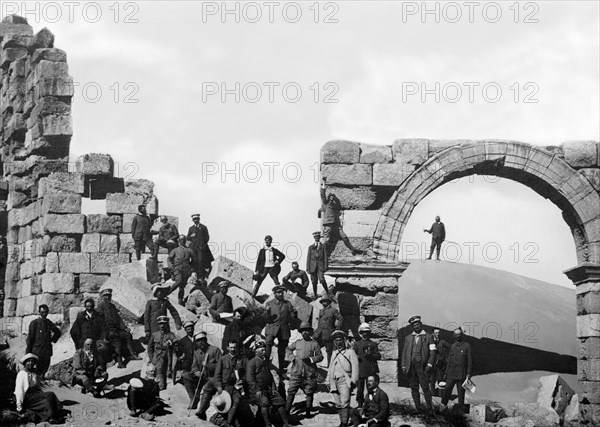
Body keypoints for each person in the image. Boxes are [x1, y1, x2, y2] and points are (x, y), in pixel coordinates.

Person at [246, 341, 290, 427]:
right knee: (264, 402)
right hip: (255, 391)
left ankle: (286, 423)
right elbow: (249, 379)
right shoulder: (251, 363)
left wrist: (273, 388)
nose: (264, 352)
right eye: (262, 350)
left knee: (279, 400)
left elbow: (269, 376)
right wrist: (257, 390)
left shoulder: (265, 362)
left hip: (267, 389)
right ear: (256, 351)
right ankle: (268, 425)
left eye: (265, 350)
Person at [285, 321, 323, 418]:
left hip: (309, 373)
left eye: (307, 331)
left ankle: (308, 411)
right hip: (296, 371)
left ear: (310, 332)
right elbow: (288, 349)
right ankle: (286, 412)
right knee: (291, 391)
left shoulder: (314, 344)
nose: (305, 333)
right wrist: (292, 358)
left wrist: (311, 359)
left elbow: (320, 356)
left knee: (309, 392)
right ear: (300, 332)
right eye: (303, 331)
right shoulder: (297, 343)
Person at [400, 315, 437, 414]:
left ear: (421, 324)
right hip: (411, 366)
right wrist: (403, 365)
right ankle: (418, 408)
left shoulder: (429, 336)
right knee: (414, 387)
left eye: (418, 324)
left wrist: (429, 364)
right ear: (412, 327)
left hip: (422, 366)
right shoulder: (408, 338)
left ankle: (430, 409)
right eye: (414, 325)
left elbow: (433, 352)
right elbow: (404, 352)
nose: (416, 326)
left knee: (425, 387)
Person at [96, 288, 141, 368]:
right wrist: (103, 335)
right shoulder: (101, 306)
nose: (107, 297)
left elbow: (118, 318)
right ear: (103, 297)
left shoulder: (112, 306)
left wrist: (125, 327)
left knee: (127, 335)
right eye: (106, 296)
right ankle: (120, 363)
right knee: (117, 343)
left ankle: (132, 355)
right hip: (108, 331)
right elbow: (98, 321)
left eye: (109, 295)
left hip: (116, 329)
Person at [14, 354, 64, 424]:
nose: (31, 363)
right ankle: (50, 417)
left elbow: (37, 386)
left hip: (35, 395)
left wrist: (41, 394)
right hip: (27, 398)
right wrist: (19, 406)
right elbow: (19, 391)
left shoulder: (33, 373)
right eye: (28, 361)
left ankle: (57, 412)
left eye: (32, 361)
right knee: (46, 401)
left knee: (51, 395)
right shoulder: (22, 374)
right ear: (25, 363)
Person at [320, 177, 362, 256]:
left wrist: (336, 198)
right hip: (328, 224)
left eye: (333, 197)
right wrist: (324, 183)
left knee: (344, 236)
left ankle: (352, 249)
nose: (332, 198)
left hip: (336, 224)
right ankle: (322, 253)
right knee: (326, 240)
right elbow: (322, 194)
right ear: (328, 198)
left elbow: (339, 204)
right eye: (330, 197)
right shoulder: (326, 203)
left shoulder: (336, 206)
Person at [326, 330, 359, 427]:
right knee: (338, 403)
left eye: (340, 340)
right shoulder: (334, 353)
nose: (338, 342)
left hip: (345, 380)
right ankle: (342, 421)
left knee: (345, 402)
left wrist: (353, 381)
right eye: (336, 341)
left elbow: (355, 368)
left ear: (344, 341)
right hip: (334, 380)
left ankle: (344, 423)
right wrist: (328, 380)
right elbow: (330, 367)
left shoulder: (350, 352)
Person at [213, 339, 249, 426]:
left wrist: (242, 380)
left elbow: (247, 374)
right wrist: (219, 387)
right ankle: (235, 423)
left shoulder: (242, 359)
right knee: (226, 405)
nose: (233, 349)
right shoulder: (223, 359)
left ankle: (229, 423)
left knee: (236, 402)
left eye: (235, 347)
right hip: (226, 387)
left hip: (237, 387)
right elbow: (217, 375)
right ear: (228, 348)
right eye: (231, 347)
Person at [264, 285, 297, 374]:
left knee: (282, 349)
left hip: (283, 328)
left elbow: (291, 318)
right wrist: (267, 312)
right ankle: (265, 365)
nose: (280, 294)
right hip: (272, 327)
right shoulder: (269, 304)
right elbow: (265, 319)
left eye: (281, 292)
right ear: (274, 294)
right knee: (268, 343)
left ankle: (281, 369)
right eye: (278, 292)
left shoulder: (288, 304)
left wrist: (294, 313)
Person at [441, 327, 473, 412]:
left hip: (461, 374)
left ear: (462, 335)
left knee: (461, 393)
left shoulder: (467, 346)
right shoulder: (452, 346)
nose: (458, 336)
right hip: (451, 373)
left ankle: (460, 410)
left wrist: (468, 374)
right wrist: (446, 372)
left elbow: (469, 360)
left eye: (459, 334)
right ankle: (443, 405)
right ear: (454, 336)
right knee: (447, 389)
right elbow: (449, 360)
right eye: (456, 334)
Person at [70, 298, 110, 366]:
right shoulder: (81, 316)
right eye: (87, 306)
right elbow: (74, 331)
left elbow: (104, 328)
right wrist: (79, 342)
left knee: (100, 356)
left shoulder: (99, 315)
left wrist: (103, 339)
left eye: (91, 306)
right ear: (85, 307)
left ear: (93, 306)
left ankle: (101, 371)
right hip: (85, 342)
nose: (89, 308)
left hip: (96, 340)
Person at [193, 331, 223, 420]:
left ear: (206, 340)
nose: (201, 343)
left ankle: (201, 410)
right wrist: (196, 372)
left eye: (202, 340)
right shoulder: (197, 353)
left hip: (215, 377)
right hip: (202, 378)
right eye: (198, 341)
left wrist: (208, 365)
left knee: (207, 388)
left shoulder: (215, 350)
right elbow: (193, 367)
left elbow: (220, 366)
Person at [26, 304, 61, 377]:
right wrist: (28, 353)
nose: (44, 314)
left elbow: (58, 332)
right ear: (39, 312)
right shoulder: (34, 323)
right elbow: (30, 338)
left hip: (47, 352)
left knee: (44, 371)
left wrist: (52, 339)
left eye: (45, 312)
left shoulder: (49, 323)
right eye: (42, 312)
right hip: (36, 352)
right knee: (35, 372)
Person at [354, 322, 382, 408]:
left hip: (370, 369)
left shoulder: (373, 344)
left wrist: (372, 356)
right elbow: (352, 356)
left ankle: (371, 403)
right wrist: (357, 358)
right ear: (361, 333)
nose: (365, 333)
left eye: (367, 332)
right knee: (360, 388)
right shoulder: (357, 344)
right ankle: (359, 403)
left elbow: (378, 355)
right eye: (363, 332)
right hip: (360, 369)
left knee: (371, 387)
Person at [147, 316, 177, 390]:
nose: (162, 325)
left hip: (167, 356)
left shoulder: (170, 334)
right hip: (157, 357)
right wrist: (151, 358)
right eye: (161, 324)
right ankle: (160, 387)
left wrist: (170, 342)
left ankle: (164, 387)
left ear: (167, 325)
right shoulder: (154, 334)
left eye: (164, 324)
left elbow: (175, 340)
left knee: (167, 372)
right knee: (156, 372)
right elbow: (149, 347)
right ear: (158, 325)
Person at [314, 294, 343, 367]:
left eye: (325, 302)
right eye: (322, 302)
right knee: (315, 348)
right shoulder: (321, 311)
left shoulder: (333, 310)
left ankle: (330, 366)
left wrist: (337, 329)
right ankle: (316, 364)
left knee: (329, 351)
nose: (323, 303)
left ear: (329, 302)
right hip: (319, 334)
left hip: (328, 334)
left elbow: (340, 318)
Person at [167, 234, 197, 305]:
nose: (182, 241)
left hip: (186, 270)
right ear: (179, 241)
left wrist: (191, 267)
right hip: (177, 268)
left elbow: (195, 260)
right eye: (181, 240)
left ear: (185, 240)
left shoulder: (189, 250)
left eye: (183, 240)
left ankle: (180, 303)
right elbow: (169, 259)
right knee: (178, 281)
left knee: (182, 287)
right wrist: (171, 267)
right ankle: (166, 293)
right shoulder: (175, 250)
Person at [174, 321, 196, 407]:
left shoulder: (198, 338)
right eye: (188, 329)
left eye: (191, 328)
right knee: (187, 377)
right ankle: (192, 398)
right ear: (185, 330)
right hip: (188, 363)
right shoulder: (182, 341)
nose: (190, 330)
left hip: (198, 363)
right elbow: (179, 352)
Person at [187, 213, 214, 280]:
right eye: (194, 219)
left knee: (201, 260)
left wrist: (203, 244)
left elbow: (207, 237)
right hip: (194, 247)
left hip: (201, 247)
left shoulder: (203, 227)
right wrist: (191, 236)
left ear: (199, 219)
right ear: (192, 220)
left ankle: (201, 276)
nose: (195, 220)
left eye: (196, 219)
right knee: (194, 260)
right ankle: (195, 274)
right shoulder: (191, 228)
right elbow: (188, 237)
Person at [306, 231, 328, 299]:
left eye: (318, 237)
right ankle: (315, 294)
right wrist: (307, 268)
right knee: (314, 281)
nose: (317, 238)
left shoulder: (323, 246)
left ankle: (328, 292)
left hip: (320, 266)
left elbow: (325, 257)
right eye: (315, 237)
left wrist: (325, 266)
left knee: (322, 279)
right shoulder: (311, 247)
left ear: (319, 237)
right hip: (312, 266)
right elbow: (308, 258)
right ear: (314, 238)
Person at [429, 328, 450, 397]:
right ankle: (432, 393)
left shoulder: (442, 342)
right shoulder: (429, 342)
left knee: (440, 379)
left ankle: (440, 394)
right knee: (432, 379)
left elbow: (451, 347)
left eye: (438, 333)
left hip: (440, 364)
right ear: (433, 334)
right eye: (436, 333)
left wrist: (446, 358)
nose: (437, 334)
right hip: (432, 363)